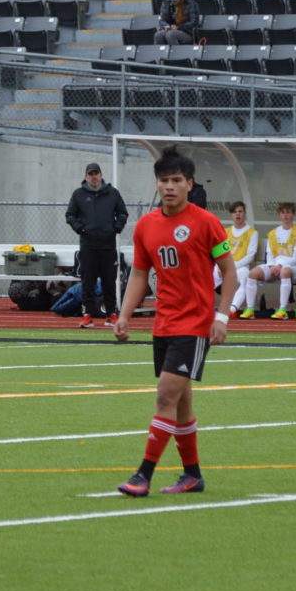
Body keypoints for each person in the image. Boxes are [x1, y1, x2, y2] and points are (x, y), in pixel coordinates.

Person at [113, 145, 235, 496]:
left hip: (194, 325)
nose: (170, 186)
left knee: (165, 396)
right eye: (164, 180)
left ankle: (143, 475)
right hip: (164, 324)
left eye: (177, 180)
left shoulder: (206, 223)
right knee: (181, 403)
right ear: (157, 184)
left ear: (189, 184)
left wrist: (221, 316)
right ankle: (192, 475)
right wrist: (124, 315)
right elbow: (140, 274)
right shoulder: (146, 226)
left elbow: (229, 273)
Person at [66, 162, 129, 329]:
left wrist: (116, 228)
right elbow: (70, 215)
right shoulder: (78, 194)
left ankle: (111, 314)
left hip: (108, 246)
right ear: (86, 177)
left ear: (101, 175)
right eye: (91, 174)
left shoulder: (113, 193)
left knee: (109, 281)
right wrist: (81, 229)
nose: (94, 177)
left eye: (96, 174)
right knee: (88, 281)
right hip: (88, 246)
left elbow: (123, 213)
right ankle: (87, 315)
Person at [249, 203, 296, 320]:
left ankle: (282, 310)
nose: (285, 215)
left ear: (294, 215)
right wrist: (271, 266)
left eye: (288, 212)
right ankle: (250, 309)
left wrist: (280, 265)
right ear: (279, 215)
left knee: (284, 272)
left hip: (291, 267)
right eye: (283, 213)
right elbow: (269, 254)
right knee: (253, 273)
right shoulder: (273, 233)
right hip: (274, 266)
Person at [223, 201, 260, 318]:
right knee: (207, 277)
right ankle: (202, 308)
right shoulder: (226, 231)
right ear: (231, 214)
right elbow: (220, 252)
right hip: (225, 266)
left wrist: (234, 266)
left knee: (245, 279)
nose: (237, 214)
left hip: (240, 267)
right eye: (235, 212)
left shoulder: (252, 232)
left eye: (240, 211)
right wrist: (221, 266)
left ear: (244, 213)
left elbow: (250, 256)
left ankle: (231, 309)